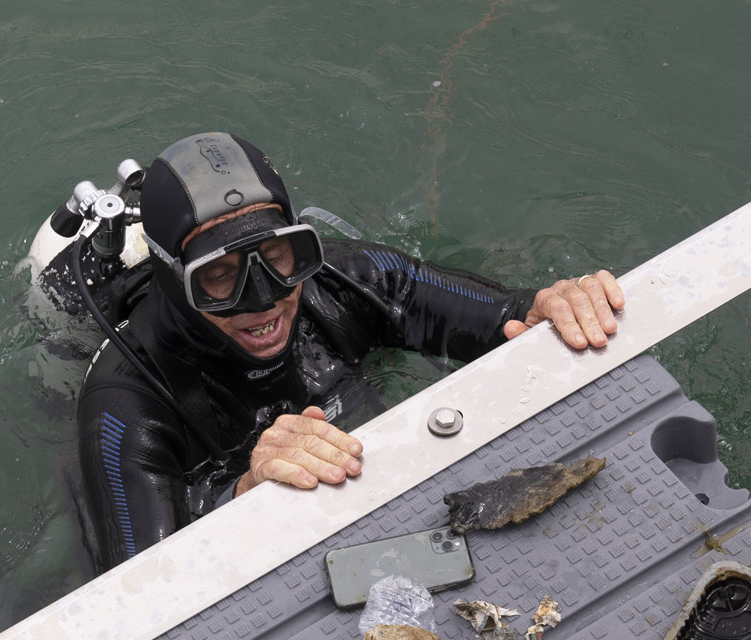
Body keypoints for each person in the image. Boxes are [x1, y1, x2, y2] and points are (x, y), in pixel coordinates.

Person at [76, 131, 624, 572]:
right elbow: (136, 585)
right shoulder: (124, 403)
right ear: (174, 281)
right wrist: (242, 494)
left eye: (277, 256)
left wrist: (554, 305)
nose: (265, 300)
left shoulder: (347, 279)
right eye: (218, 278)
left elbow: (508, 315)